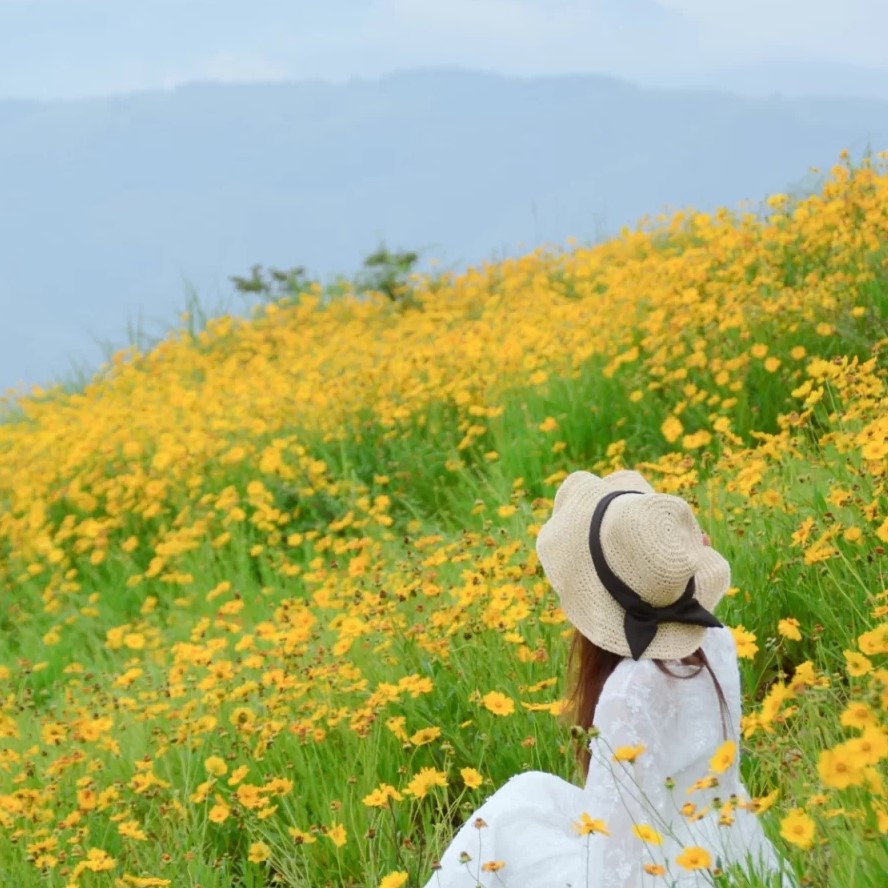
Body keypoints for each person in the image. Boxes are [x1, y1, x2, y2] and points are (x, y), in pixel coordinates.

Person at [421, 470, 794, 888]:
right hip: (729, 845)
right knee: (528, 794)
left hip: (659, 868)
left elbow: (615, 858)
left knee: (500, 827)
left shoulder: (629, 691)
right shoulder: (717, 638)